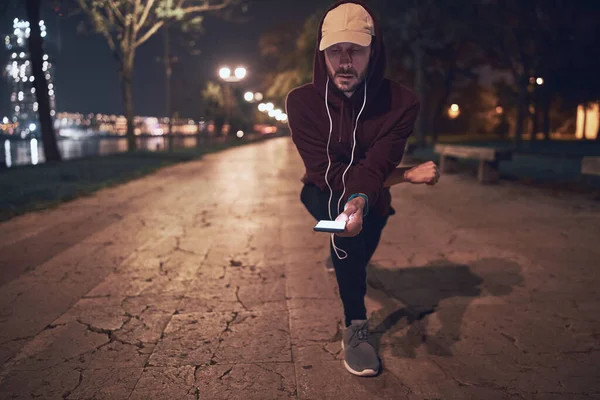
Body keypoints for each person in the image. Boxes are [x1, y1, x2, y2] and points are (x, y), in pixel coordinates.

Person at [285, 0, 440, 377]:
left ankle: (346, 254)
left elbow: (375, 164)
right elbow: (328, 171)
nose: (345, 61)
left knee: (373, 216)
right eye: (335, 51)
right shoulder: (302, 102)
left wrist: (363, 197)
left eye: (355, 49)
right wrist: (402, 177)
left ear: (374, 51)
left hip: (372, 192)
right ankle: (355, 325)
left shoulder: (401, 103)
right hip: (320, 189)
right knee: (348, 234)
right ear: (322, 54)